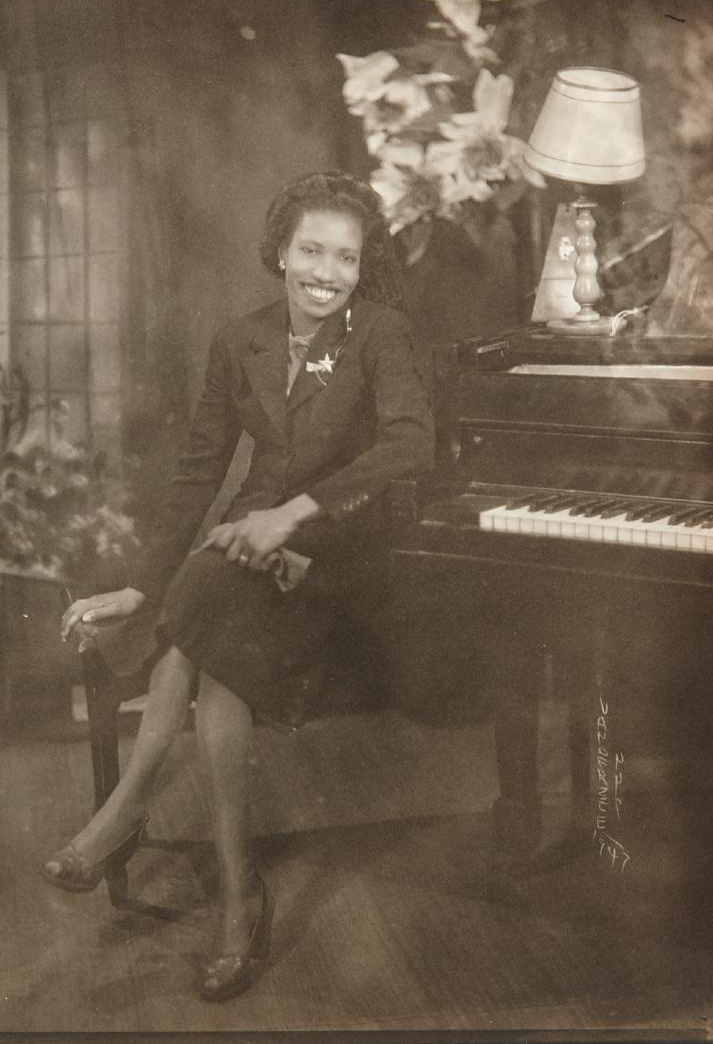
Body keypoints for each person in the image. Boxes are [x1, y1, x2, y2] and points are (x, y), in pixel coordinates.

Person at [47, 170, 434, 1001]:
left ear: (364, 266)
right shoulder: (241, 339)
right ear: (280, 252)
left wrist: (291, 514)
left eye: (345, 255)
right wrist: (138, 586)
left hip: (347, 543)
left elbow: (409, 446)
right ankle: (237, 889)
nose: (326, 271)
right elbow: (198, 475)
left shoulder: (382, 334)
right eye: (310, 250)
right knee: (217, 617)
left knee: (212, 601)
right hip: (247, 550)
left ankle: (129, 811)